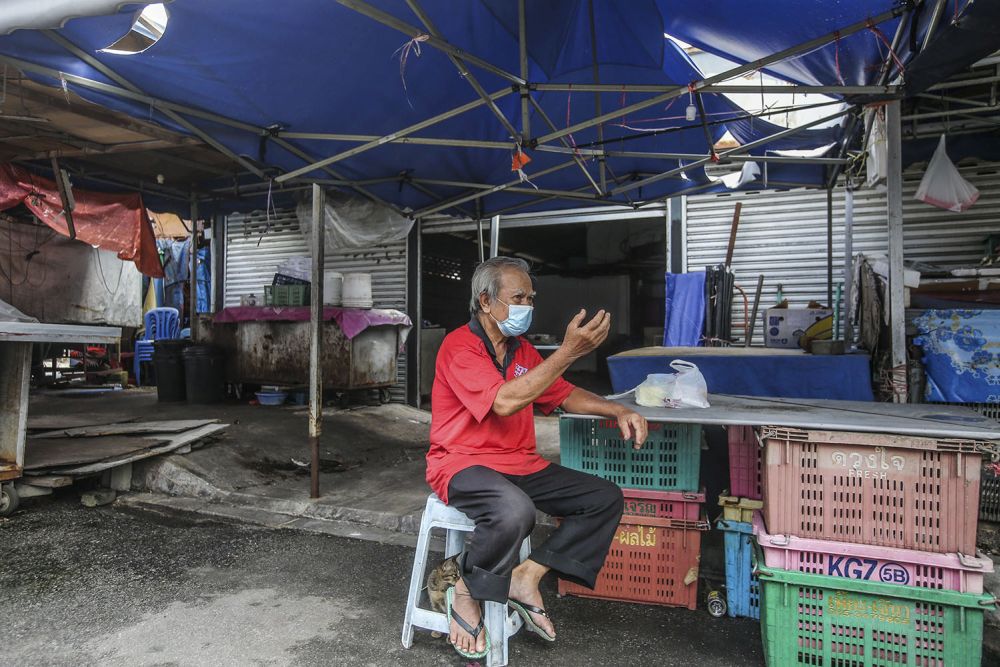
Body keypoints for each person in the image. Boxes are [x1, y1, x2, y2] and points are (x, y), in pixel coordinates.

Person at [427, 256, 649, 659]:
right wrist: (568, 351)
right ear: (485, 301)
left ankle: (526, 577)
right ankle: (463, 590)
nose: (528, 305)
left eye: (531, 297)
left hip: (520, 463)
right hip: (463, 463)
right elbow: (505, 402)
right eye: (518, 297)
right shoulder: (459, 346)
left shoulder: (522, 350)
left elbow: (561, 392)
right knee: (515, 511)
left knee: (603, 498)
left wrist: (617, 409)